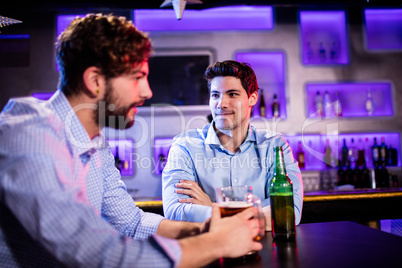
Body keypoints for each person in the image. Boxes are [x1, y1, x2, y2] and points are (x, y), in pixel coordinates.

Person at [0, 14, 262, 267]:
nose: (147, 91)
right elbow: (101, 255)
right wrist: (216, 243)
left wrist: (205, 228)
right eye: (138, 77)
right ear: (95, 81)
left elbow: (131, 223)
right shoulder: (29, 134)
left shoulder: (96, 145)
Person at [162, 60, 303, 224]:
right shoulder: (185, 146)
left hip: (263, 248)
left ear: (252, 98)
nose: (221, 104)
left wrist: (215, 209)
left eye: (232, 94)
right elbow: (175, 212)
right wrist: (252, 213)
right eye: (215, 95)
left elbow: (289, 211)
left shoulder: (275, 145)